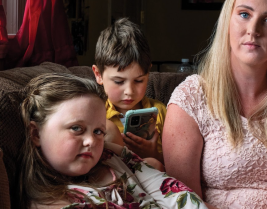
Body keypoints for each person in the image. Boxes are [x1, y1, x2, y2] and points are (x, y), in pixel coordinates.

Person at [162, 0, 267, 208]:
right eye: (244, 14)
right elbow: (184, 204)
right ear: (227, 23)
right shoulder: (191, 98)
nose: (253, 29)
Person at [18, 73, 207, 209]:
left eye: (98, 131)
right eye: (76, 128)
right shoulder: (51, 202)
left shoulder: (112, 155)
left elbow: (172, 192)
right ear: (36, 134)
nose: (91, 141)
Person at [92, 18, 166, 164]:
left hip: (152, 178)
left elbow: (177, 164)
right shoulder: (96, 114)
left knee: (154, 163)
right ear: (98, 75)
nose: (129, 91)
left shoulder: (160, 112)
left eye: (139, 81)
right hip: (113, 176)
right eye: (119, 82)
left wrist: (153, 154)